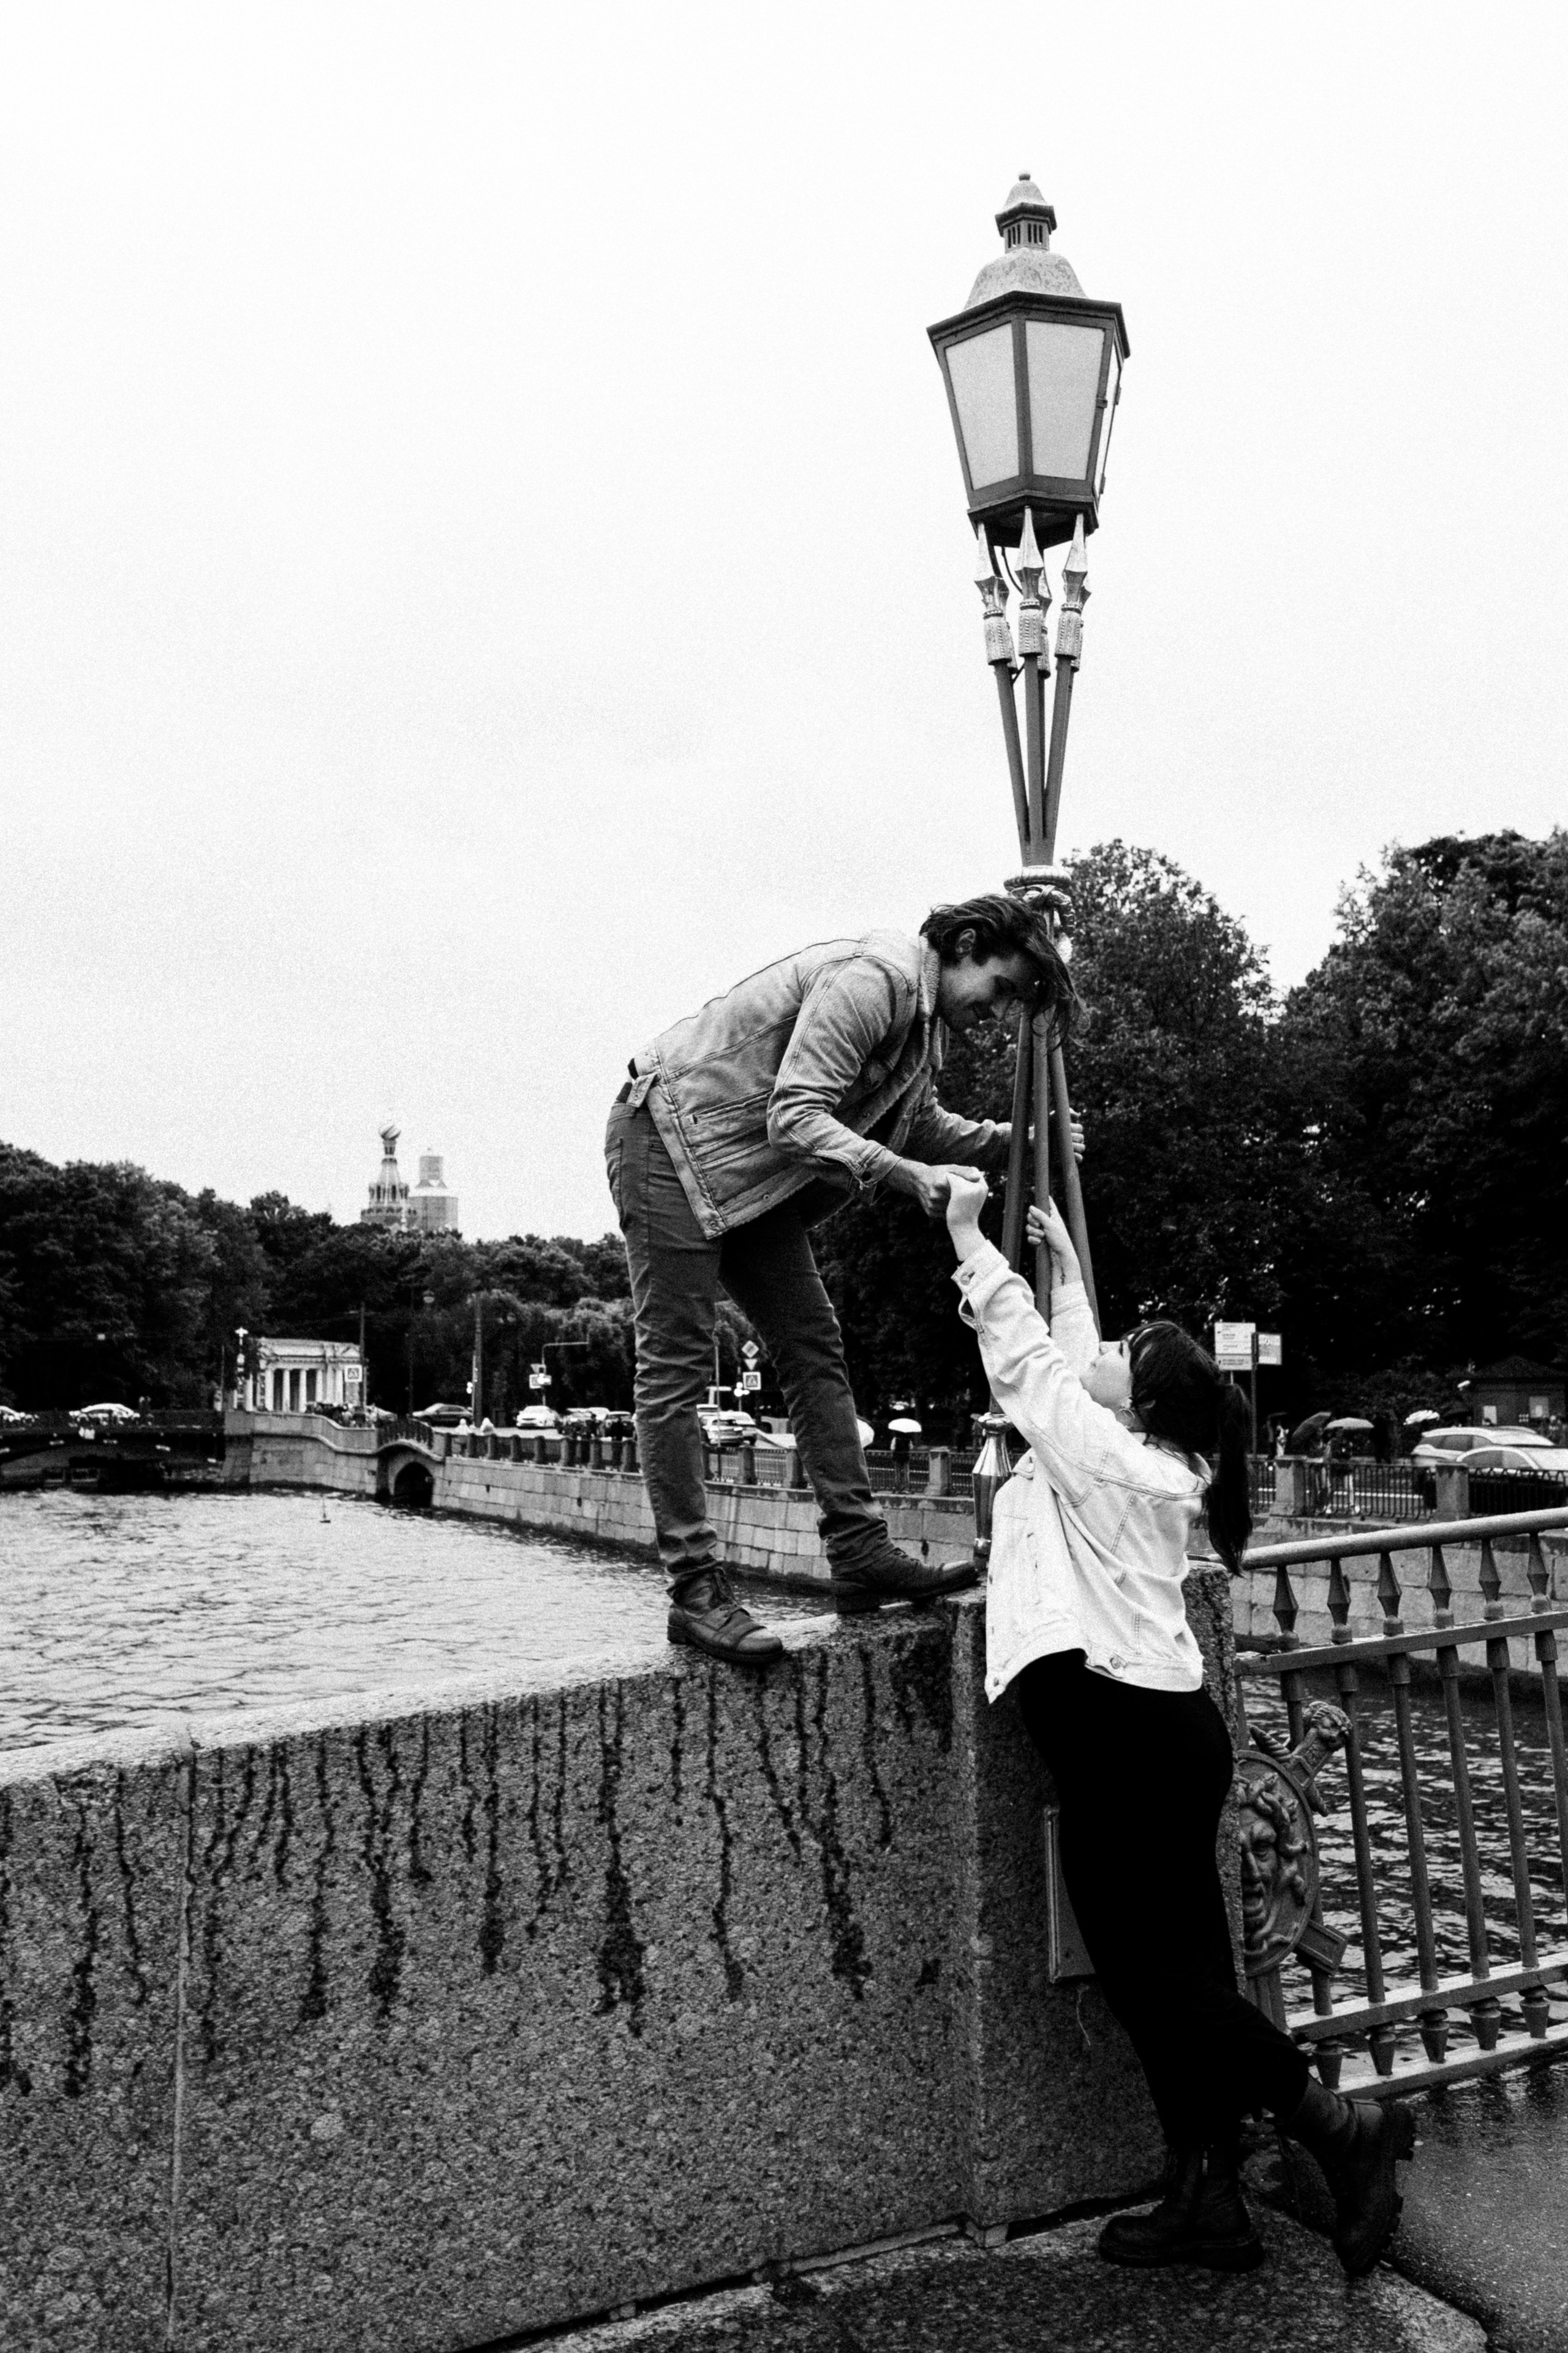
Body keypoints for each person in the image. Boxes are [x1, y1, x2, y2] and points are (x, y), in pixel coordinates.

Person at [941, 1174, 1415, 2278]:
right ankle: (1207, 2200)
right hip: (1164, 1729)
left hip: (1121, 1735)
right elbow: (1077, 1365)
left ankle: (1346, 2131)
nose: (1098, 1353)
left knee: (1162, 1987)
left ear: (1137, 1404)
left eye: (1122, 1357)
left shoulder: (1102, 1455)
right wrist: (1064, 1267)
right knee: (1183, 1977)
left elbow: (1036, 1374)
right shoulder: (1152, 1458)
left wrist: (974, 1243)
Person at [606, 894, 1074, 1666]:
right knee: (676, 1367)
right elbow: (797, 1113)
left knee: (813, 1344)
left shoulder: (923, 1026)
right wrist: (902, 1176)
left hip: (750, 1178)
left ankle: (857, 1550)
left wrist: (1014, 1138)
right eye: (999, 989)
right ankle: (696, 1590)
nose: (996, 1013)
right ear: (963, 945)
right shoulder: (874, 980)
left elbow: (915, 1122)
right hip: (669, 1141)